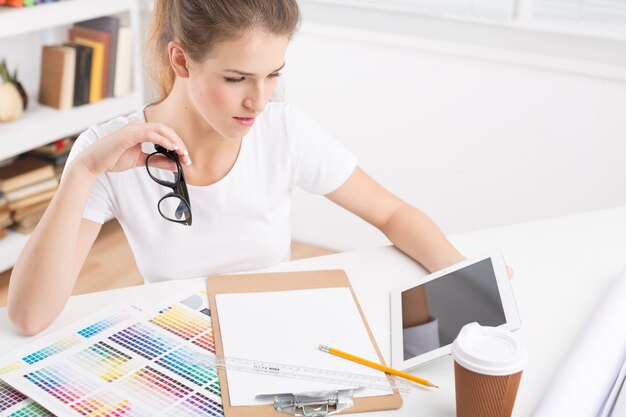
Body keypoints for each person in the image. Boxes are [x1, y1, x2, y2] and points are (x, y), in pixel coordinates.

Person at [7, 0, 466, 336]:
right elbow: (29, 316)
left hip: (275, 336)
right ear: (181, 60)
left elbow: (391, 214)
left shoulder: (284, 132)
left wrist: (464, 277)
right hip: (178, 345)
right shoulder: (108, 151)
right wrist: (82, 172)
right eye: (236, 78)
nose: (259, 100)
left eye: (273, 75)